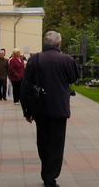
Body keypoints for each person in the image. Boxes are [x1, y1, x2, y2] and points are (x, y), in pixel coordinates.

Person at [20, 31, 79, 187]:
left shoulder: (35, 59)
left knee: (43, 140)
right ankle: (50, 176)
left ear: (45, 43)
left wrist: (26, 110)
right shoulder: (67, 59)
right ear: (59, 43)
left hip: (40, 107)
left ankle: (46, 171)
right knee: (56, 143)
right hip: (59, 107)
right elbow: (73, 78)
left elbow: (25, 85)